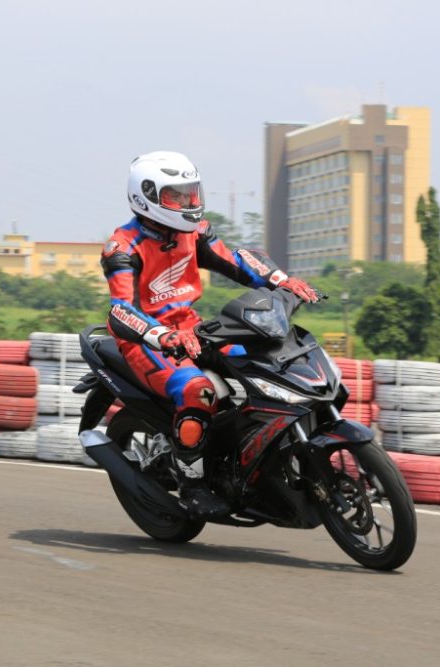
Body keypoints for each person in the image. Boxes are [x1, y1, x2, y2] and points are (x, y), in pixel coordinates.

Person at [101, 151, 318, 518]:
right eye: (177, 196)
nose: (189, 202)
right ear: (147, 195)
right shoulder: (123, 247)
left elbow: (236, 261)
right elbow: (121, 310)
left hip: (192, 328)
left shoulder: (194, 232)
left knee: (261, 363)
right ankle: (193, 483)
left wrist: (283, 281)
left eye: (191, 193)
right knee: (197, 391)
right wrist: (161, 336)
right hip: (149, 342)